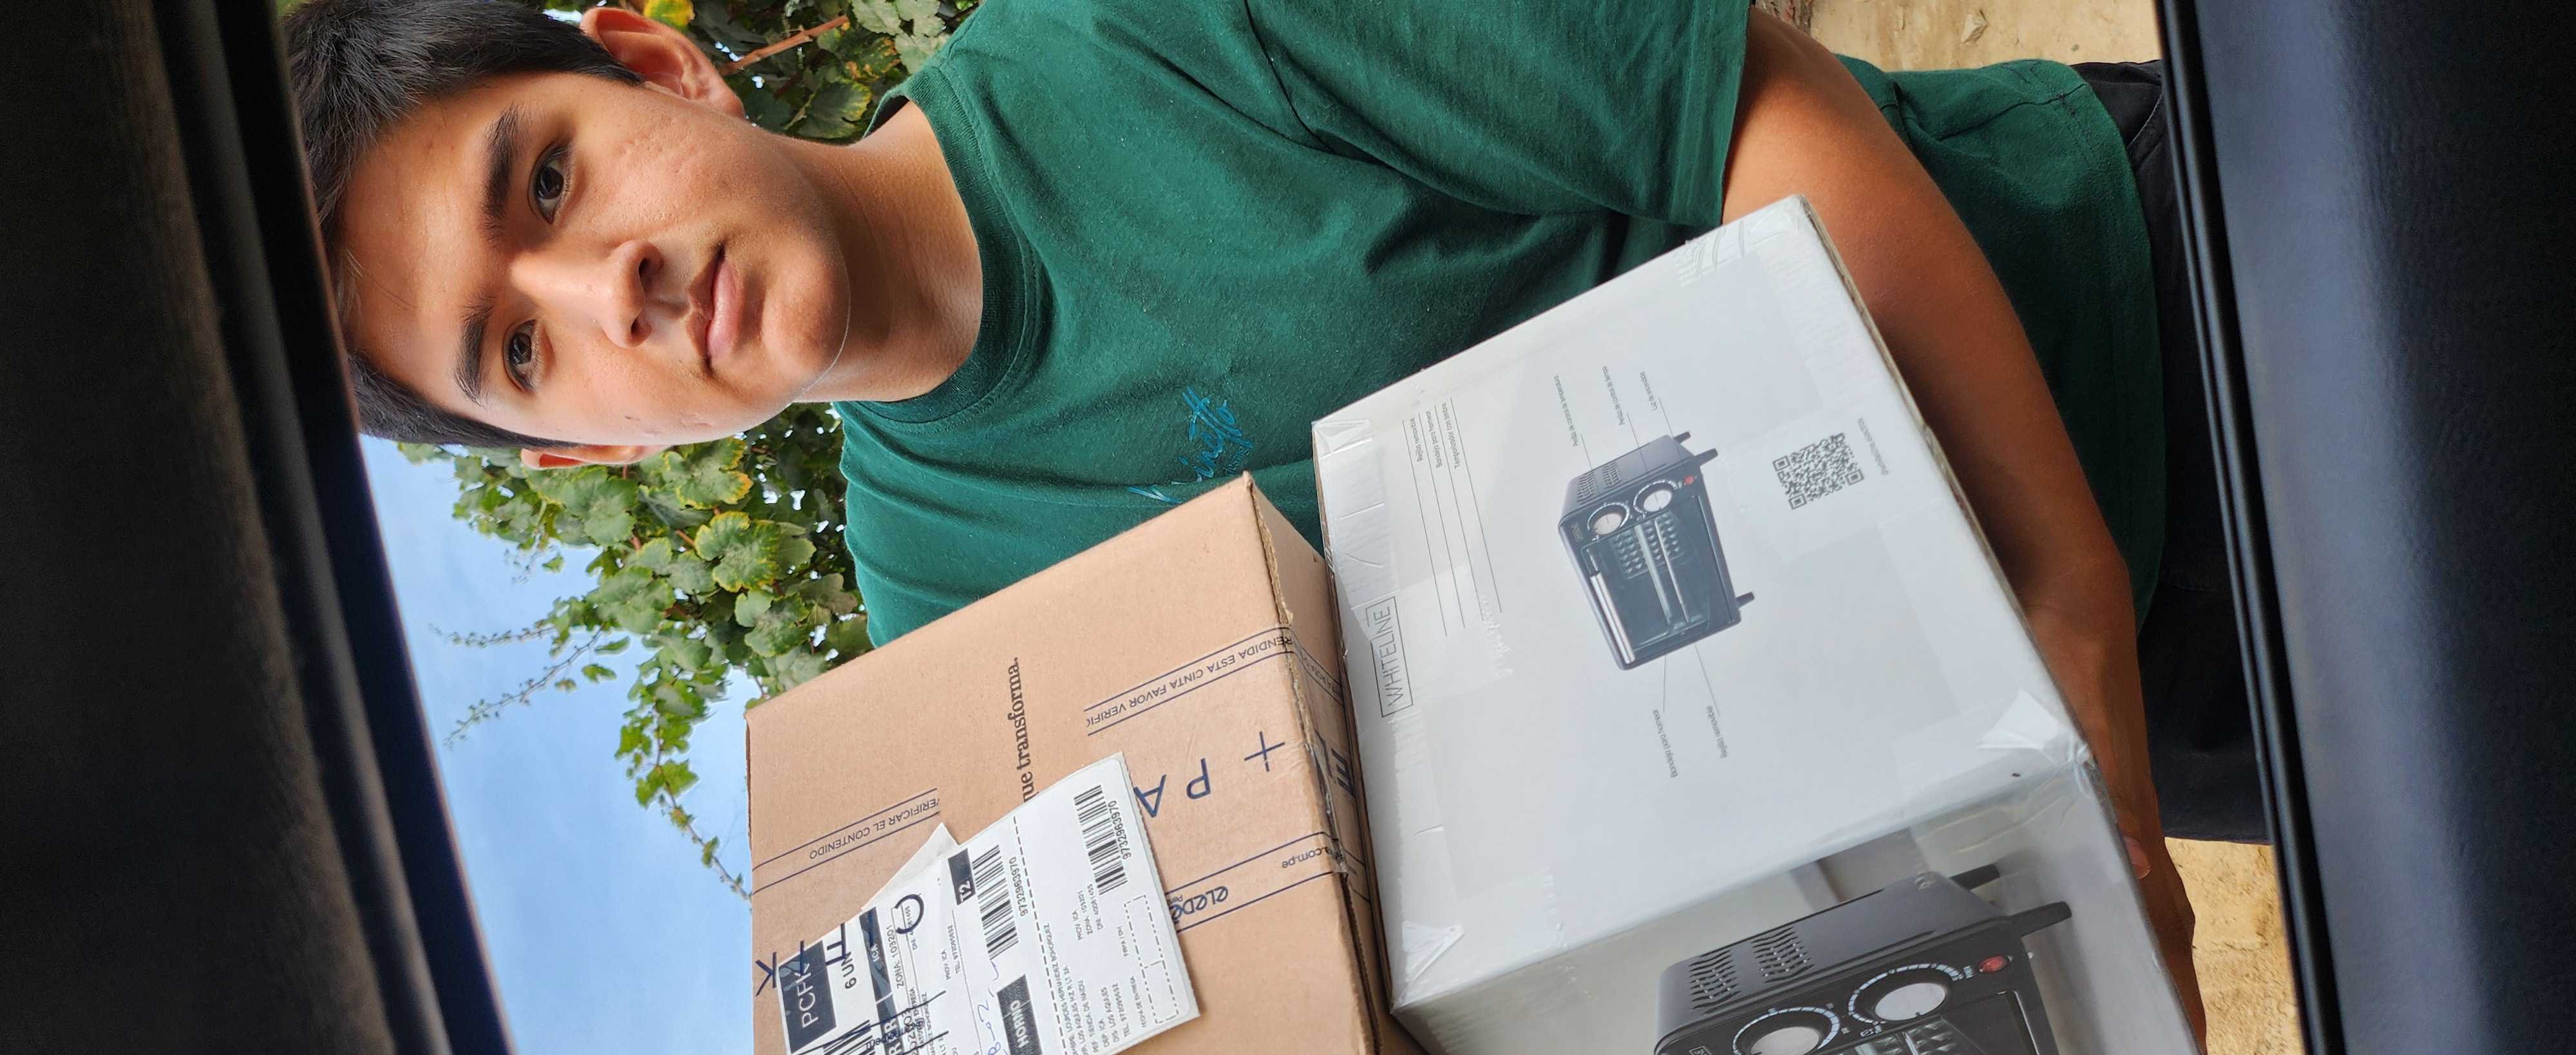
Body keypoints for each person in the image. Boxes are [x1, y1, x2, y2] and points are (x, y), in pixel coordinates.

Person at [284, 0, 2253, 1027]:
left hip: (2152, 307)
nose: (605, 290)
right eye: (520, 352)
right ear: (587, 454)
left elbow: (1755, 116)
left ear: (650, 66)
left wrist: (2067, 629)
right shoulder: (954, 648)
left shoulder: (1140, 33)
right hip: (2072, 708)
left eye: (547, 183)